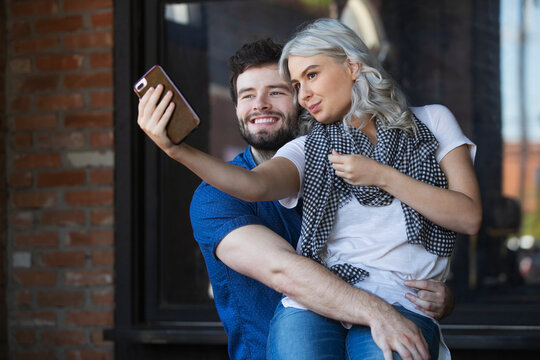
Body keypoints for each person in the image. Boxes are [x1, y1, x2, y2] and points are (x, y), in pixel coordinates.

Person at [137, 35, 462, 359]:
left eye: (276, 92)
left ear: (305, 98)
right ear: (236, 107)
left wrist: (430, 293)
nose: (260, 105)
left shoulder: (348, 165)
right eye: (247, 95)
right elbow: (285, 271)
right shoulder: (215, 198)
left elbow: (398, 245)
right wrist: (382, 312)